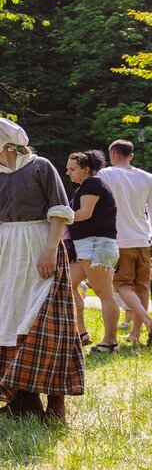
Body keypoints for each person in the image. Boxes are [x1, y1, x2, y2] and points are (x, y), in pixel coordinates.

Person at [0, 117, 83, 422]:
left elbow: (60, 212)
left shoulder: (41, 167)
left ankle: (56, 404)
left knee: (47, 320)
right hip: (6, 246)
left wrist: (50, 248)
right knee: (10, 318)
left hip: (40, 242)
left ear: (1, 141)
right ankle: (23, 401)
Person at [65, 151, 121, 352]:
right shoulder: (85, 187)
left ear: (86, 169)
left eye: (72, 169)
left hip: (96, 245)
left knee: (104, 293)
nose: (68, 173)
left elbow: (84, 213)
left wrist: (60, 216)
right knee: (65, 286)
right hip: (86, 247)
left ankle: (110, 342)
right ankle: (81, 333)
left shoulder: (92, 184)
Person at [97, 139, 152, 345]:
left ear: (112, 154)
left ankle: (148, 321)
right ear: (132, 155)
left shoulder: (106, 174)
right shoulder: (148, 177)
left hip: (119, 238)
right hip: (143, 239)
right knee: (142, 287)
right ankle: (135, 333)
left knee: (121, 285)